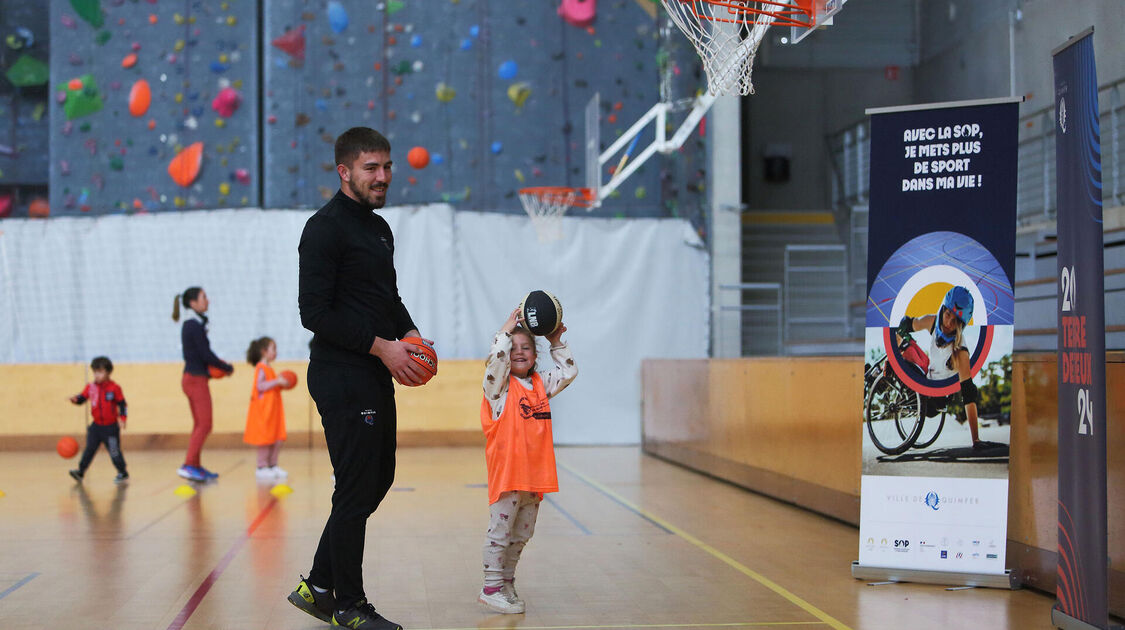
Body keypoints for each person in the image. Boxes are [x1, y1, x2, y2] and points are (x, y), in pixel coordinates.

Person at [287, 127, 431, 630]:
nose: (383, 177)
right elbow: (314, 313)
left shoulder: (378, 229)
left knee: (378, 479)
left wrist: (409, 333)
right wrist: (382, 346)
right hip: (341, 373)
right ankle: (348, 605)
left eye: (387, 167)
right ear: (344, 171)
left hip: (375, 370)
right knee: (354, 486)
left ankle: (318, 585)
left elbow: (386, 298)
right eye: (372, 168)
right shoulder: (324, 229)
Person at [478, 308, 577, 614]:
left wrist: (555, 340)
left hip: (535, 477)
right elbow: (497, 361)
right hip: (508, 476)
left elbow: (568, 372)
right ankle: (490, 587)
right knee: (500, 533)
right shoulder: (499, 388)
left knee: (521, 535)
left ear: (536, 355)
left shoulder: (540, 384)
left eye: (527, 348)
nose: (519, 352)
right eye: (514, 347)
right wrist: (505, 331)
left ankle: (506, 582)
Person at [896, 285, 995, 449]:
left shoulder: (960, 351)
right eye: (948, 314)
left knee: (904, 358)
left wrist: (976, 441)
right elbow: (907, 323)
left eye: (955, 320)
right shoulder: (933, 321)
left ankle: (879, 374)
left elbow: (969, 395)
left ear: (961, 325)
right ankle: (877, 376)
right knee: (906, 346)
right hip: (925, 380)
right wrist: (896, 340)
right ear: (943, 309)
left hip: (935, 400)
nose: (949, 322)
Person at [173, 287, 233, 482]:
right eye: (204, 297)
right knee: (205, 425)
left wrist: (211, 370)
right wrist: (225, 367)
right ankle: (189, 464)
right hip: (195, 380)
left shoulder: (193, 324)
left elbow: (198, 355)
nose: (207, 300)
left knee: (200, 424)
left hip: (194, 378)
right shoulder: (193, 325)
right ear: (193, 303)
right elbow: (205, 354)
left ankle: (195, 466)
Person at [67, 356, 129, 484]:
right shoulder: (90, 387)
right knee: (89, 449)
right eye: (95, 372)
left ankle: (122, 472)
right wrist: (75, 400)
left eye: (100, 372)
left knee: (113, 450)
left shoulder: (114, 388)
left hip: (110, 427)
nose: (97, 375)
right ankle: (81, 471)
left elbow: (122, 404)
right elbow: (82, 397)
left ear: (108, 373)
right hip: (96, 427)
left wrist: (122, 418)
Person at [244, 336, 289, 480]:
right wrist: (277, 381)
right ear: (264, 351)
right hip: (264, 411)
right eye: (273, 349)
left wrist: (281, 384)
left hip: (273, 409)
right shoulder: (261, 368)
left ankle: (272, 465)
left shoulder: (269, 368)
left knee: (277, 437)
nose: (276, 352)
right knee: (265, 438)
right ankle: (261, 466)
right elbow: (260, 386)